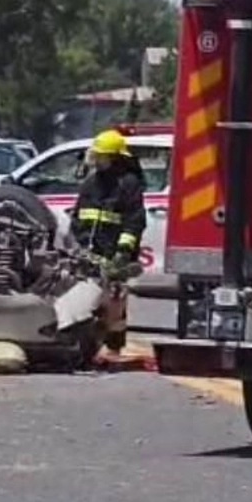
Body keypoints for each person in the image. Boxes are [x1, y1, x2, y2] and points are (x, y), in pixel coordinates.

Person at [70, 129, 146, 364]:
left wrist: (123, 252)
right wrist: (78, 243)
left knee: (115, 302)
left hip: (115, 253)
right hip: (89, 252)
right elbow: (79, 215)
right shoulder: (91, 183)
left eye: (101, 156)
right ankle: (84, 347)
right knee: (85, 299)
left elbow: (134, 221)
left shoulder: (129, 184)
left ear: (115, 158)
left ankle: (114, 347)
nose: (97, 160)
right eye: (96, 156)